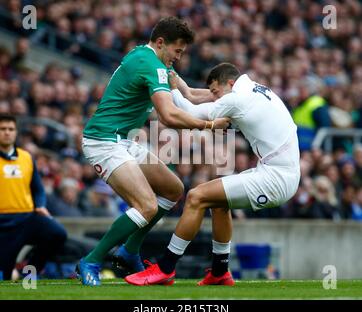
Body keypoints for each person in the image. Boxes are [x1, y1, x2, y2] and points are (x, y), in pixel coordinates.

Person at [77, 17, 230, 286]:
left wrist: (230, 94)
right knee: (146, 205)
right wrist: (210, 125)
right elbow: (170, 116)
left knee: (173, 189)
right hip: (103, 142)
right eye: (177, 51)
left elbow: (192, 96)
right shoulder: (151, 64)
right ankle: (90, 260)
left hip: (124, 141)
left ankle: (129, 251)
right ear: (161, 43)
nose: (179, 58)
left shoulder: (152, 60)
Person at [124, 63, 301, 286]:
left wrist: (172, 89)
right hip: (282, 171)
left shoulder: (236, 99)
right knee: (218, 203)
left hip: (275, 178)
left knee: (196, 196)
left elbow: (187, 112)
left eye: (216, 92)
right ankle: (219, 272)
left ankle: (166, 267)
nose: (215, 98)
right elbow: (202, 97)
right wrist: (182, 88)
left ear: (229, 83)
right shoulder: (255, 89)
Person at [0, 114, 67, 280]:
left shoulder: (26, 158)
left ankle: (30, 273)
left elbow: (38, 189)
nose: (7, 132)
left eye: (11, 129)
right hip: (2, 223)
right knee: (5, 276)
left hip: (26, 218)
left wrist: (40, 205)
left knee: (57, 234)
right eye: (2, 129)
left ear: (16, 133)